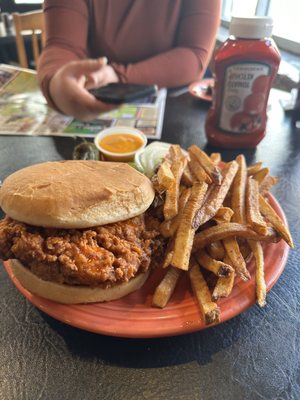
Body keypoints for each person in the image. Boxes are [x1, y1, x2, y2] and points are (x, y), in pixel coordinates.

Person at [37, 0, 221, 121]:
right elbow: (61, 45)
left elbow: (194, 55)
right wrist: (56, 84)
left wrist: (116, 75)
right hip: (92, 100)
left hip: (174, 111)